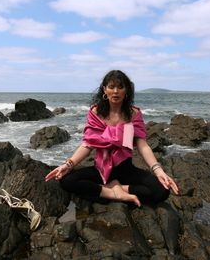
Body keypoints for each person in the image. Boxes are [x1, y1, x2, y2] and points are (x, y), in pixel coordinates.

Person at [45, 70, 179, 207]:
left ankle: (119, 188)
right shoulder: (95, 113)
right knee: (66, 180)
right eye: (111, 87)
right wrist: (68, 165)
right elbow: (88, 144)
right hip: (101, 170)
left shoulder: (133, 114)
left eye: (120, 87)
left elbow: (142, 145)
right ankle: (111, 193)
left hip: (126, 170)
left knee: (162, 190)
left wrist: (159, 170)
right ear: (104, 89)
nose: (115, 91)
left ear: (126, 90)